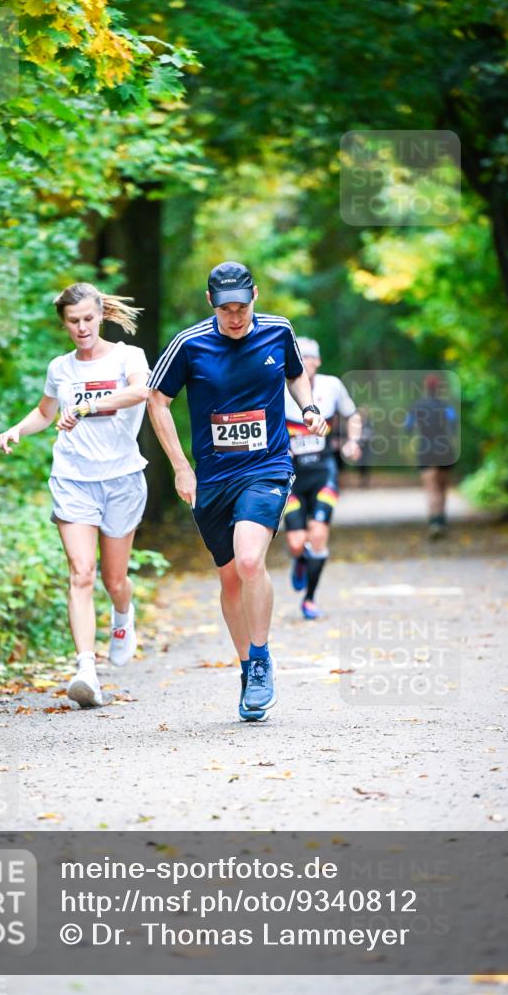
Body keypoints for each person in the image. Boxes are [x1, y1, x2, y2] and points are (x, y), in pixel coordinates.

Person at [147, 261, 328, 722]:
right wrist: (180, 467)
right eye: (226, 308)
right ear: (211, 303)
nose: (235, 317)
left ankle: (263, 660)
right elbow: (157, 400)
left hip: (266, 465)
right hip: (212, 476)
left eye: (242, 307)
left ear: (255, 297)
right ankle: (247, 668)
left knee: (250, 561)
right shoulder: (189, 344)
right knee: (229, 577)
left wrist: (308, 407)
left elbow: (294, 373)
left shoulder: (277, 331)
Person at [0, 283, 150, 708]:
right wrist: (17, 429)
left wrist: (84, 407)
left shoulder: (127, 357)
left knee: (113, 579)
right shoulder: (60, 367)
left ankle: (123, 615)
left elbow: (141, 392)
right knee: (81, 572)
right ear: (63, 323)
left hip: (121, 477)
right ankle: (86, 670)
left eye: (87, 319)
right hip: (73, 478)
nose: (81, 328)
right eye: (73, 321)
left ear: (100, 315)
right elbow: (46, 412)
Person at [284, 338, 362, 620]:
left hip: (324, 472)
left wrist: (353, 442)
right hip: (291, 477)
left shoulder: (332, 385)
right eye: (299, 357)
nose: (305, 362)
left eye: (309, 358)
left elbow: (352, 414)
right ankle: (301, 559)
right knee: (295, 542)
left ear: (318, 361)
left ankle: (309, 599)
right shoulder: (280, 386)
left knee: (318, 535)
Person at [405, 373, 459, 539]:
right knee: (443, 487)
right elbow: (454, 423)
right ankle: (441, 520)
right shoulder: (446, 406)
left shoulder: (417, 406)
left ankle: (433, 521)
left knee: (431, 488)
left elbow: (407, 427)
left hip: (425, 448)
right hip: (444, 448)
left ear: (425, 388)